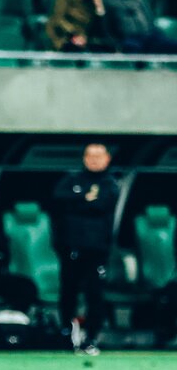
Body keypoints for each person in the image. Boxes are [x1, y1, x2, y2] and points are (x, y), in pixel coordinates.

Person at [52, 143, 119, 355]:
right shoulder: (71, 179)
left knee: (94, 294)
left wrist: (78, 201)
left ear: (107, 159)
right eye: (90, 155)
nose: (94, 160)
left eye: (99, 156)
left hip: (97, 250)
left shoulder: (110, 183)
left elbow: (101, 205)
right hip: (71, 247)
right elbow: (59, 198)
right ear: (84, 158)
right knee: (68, 292)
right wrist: (84, 198)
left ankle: (91, 338)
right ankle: (66, 334)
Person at [103, 0, 177, 54]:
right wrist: (114, 43)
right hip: (128, 38)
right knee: (132, 49)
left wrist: (153, 30)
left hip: (149, 34)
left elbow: (149, 17)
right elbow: (105, 25)